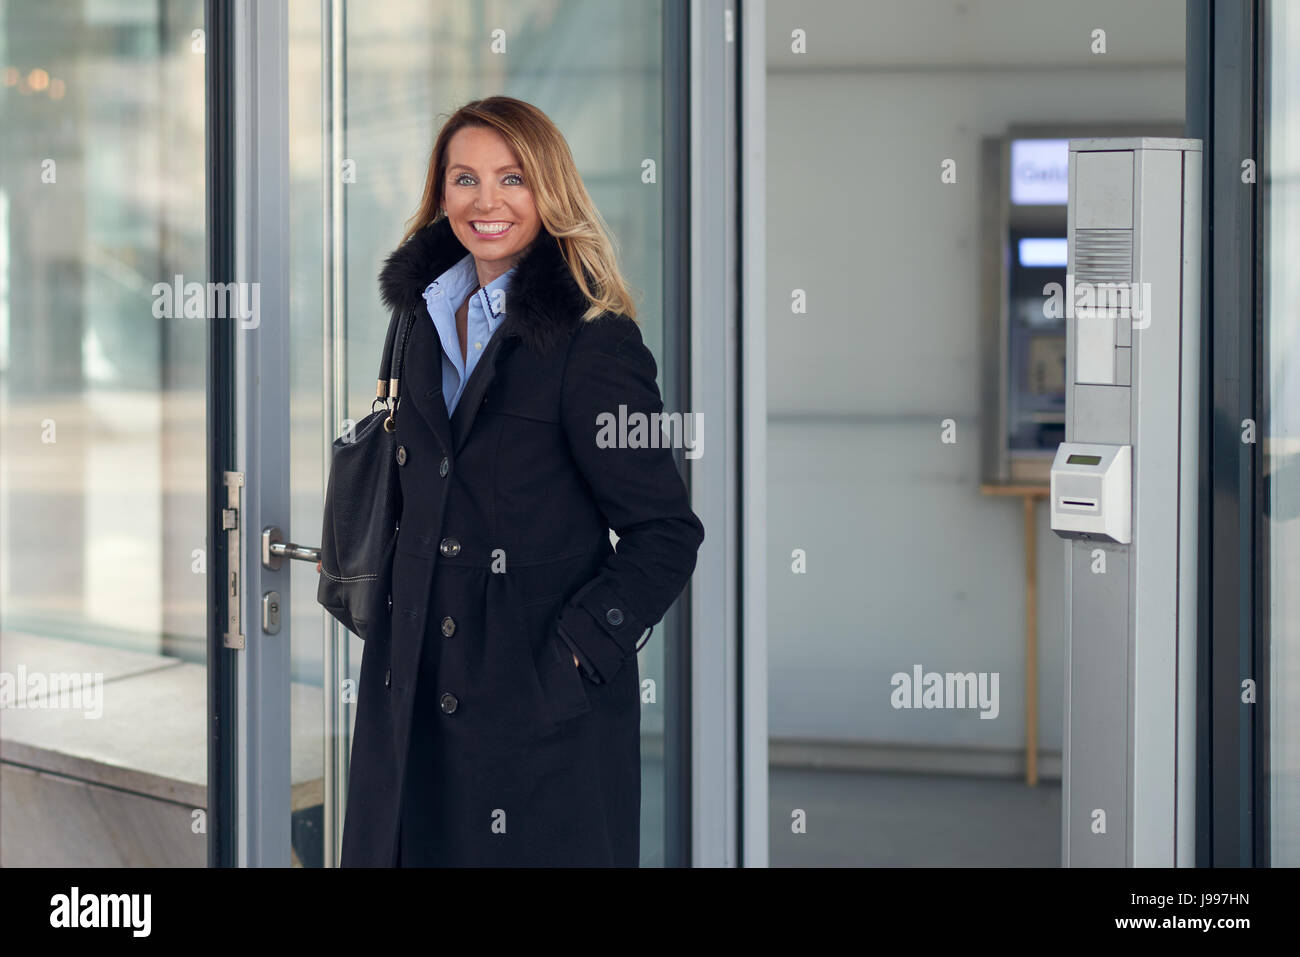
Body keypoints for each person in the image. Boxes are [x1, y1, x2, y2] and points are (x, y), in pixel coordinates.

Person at [329, 96, 704, 867]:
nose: (486, 201)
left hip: (537, 717)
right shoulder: (418, 317)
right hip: (412, 700)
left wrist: (569, 657)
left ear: (550, 190)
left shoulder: (596, 342)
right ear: (440, 193)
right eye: (464, 178)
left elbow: (664, 533)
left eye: (512, 178)